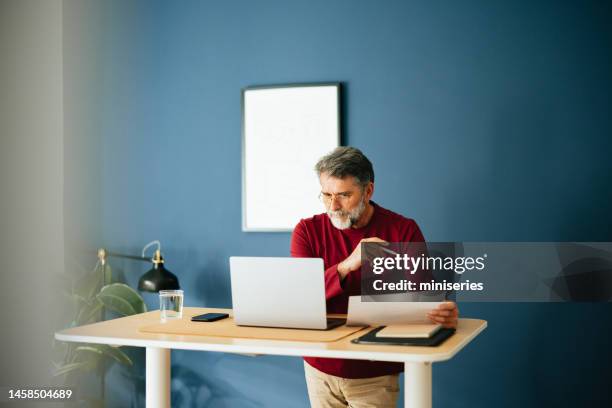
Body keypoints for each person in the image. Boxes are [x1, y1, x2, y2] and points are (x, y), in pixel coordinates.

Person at [290, 146, 459, 408]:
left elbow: (423, 298)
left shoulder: (402, 229)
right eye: (326, 195)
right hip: (319, 366)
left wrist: (439, 312)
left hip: (374, 370)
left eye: (344, 195)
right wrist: (347, 265)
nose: (333, 206)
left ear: (368, 191)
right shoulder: (307, 230)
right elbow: (300, 296)